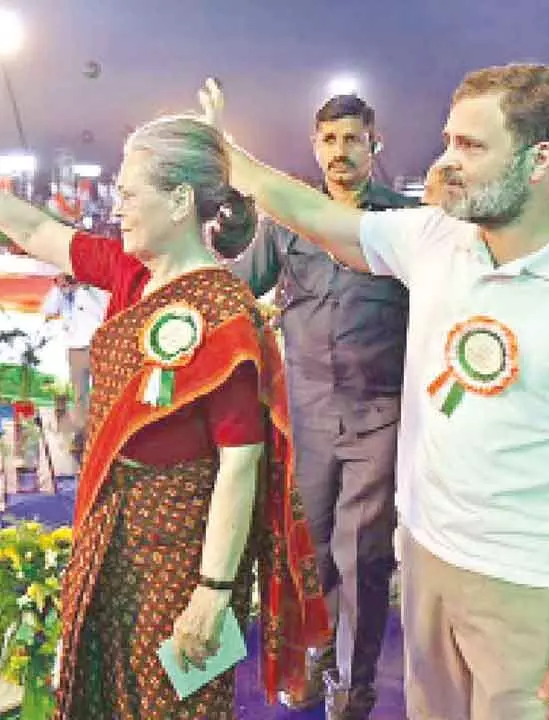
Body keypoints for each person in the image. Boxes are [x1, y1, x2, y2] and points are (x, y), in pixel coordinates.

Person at [196, 40, 549, 720]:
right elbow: (319, 219)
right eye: (450, 139)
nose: (445, 160)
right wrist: (226, 154)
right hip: (424, 558)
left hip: (530, 592)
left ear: (540, 161)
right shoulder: (435, 240)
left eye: (471, 146)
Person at [0, 93, 330, 719]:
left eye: (130, 195)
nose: (117, 207)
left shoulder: (225, 314)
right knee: (97, 687)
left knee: (170, 705)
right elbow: (31, 229)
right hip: (110, 529)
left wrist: (212, 592)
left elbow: (240, 466)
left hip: (182, 554)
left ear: (181, 200)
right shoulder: (130, 274)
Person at [227, 94, 415, 718]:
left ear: (373, 146)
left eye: (352, 140)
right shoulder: (289, 221)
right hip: (306, 414)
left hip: (378, 417)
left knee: (362, 554)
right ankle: (315, 651)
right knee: (307, 546)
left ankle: (352, 688)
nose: (340, 152)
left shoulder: (405, 224)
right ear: (316, 148)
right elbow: (235, 287)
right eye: (329, 140)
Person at [41, 273, 107, 450]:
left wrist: (83, 288)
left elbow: (102, 312)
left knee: (103, 392)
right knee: (79, 394)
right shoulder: (63, 291)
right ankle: (82, 434)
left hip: (97, 345)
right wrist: (59, 287)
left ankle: (103, 434)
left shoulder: (96, 289)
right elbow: (48, 309)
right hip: (74, 347)